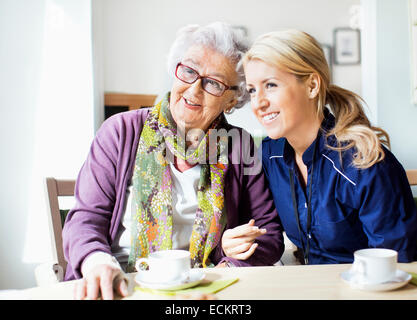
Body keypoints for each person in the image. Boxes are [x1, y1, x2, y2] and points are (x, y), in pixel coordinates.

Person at [62, 22, 284, 300]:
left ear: (231, 100)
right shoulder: (120, 131)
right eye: (189, 71)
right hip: (121, 285)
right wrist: (97, 262)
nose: (193, 90)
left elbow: (268, 234)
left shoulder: (239, 146)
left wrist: (229, 264)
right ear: (175, 71)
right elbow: (85, 219)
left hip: (204, 289)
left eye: (213, 83)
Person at [239, 29, 417, 265]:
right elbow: (262, 227)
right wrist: (235, 242)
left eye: (270, 85)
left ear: (312, 85)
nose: (258, 103)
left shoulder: (365, 163)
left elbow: (396, 265)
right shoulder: (269, 155)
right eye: (252, 90)